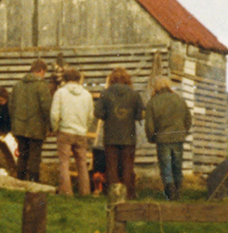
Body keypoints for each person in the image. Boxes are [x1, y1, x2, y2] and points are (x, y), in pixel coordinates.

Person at [95, 67, 145, 197]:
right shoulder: (134, 94)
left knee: (112, 166)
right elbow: (140, 115)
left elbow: (98, 113)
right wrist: (131, 115)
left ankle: (114, 193)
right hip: (129, 136)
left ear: (111, 79)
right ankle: (128, 193)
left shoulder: (105, 93)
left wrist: (109, 115)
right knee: (128, 165)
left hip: (110, 136)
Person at [142, 76, 193, 200]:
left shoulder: (153, 102)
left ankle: (170, 194)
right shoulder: (179, 99)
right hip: (178, 138)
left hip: (162, 139)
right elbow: (188, 119)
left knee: (166, 167)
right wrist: (183, 132)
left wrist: (151, 138)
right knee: (177, 166)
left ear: (156, 87)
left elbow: (149, 125)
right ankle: (178, 191)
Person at [50, 67, 95, 196]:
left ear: (65, 79)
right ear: (79, 78)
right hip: (81, 132)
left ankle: (66, 192)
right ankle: (85, 192)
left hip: (65, 131)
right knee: (82, 163)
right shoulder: (87, 94)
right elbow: (90, 116)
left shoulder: (60, 93)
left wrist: (55, 128)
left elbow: (54, 114)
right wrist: (85, 127)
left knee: (64, 162)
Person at [8, 58, 52, 183]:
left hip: (19, 127)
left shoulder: (17, 85)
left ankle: (20, 181)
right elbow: (46, 108)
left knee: (22, 154)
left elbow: (11, 107)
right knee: (34, 156)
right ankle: (33, 183)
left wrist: (15, 123)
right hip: (36, 128)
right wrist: (50, 125)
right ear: (41, 71)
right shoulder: (42, 86)